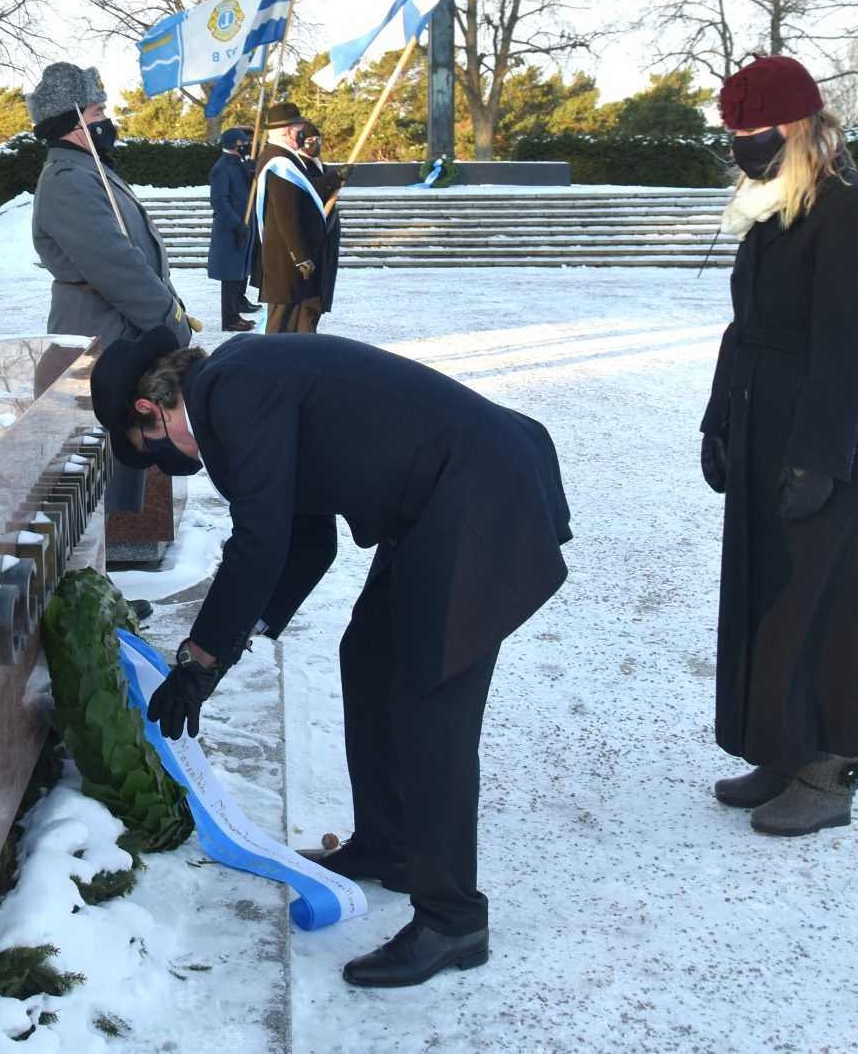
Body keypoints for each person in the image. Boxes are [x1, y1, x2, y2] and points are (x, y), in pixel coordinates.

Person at [88, 327, 571, 988]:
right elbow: (304, 539)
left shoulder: (231, 388)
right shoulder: (235, 387)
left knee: (430, 703)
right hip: (437, 501)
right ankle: (389, 844)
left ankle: (453, 918)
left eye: (147, 449)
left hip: (479, 492)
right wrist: (225, 650)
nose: (161, 461)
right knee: (368, 656)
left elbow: (258, 541)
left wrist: (200, 660)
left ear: (150, 409)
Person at [701, 54, 858, 836]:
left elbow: (847, 349)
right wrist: (719, 422)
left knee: (824, 597)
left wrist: (819, 457)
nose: (736, 147)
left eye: (748, 131)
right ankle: (781, 747)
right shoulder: (777, 203)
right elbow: (744, 328)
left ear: (792, 127)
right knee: (768, 591)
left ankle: (827, 770)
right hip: (762, 423)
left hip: (829, 435)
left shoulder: (851, 210)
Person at [28, 61, 193, 514]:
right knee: (102, 457)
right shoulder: (68, 180)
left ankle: (122, 535)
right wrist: (169, 324)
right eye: (98, 111)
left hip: (126, 329)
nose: (107, 121)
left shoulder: (89, 169)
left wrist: (168, 309)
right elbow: (117, 267)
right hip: (103, 333)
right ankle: (108, 549)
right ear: (74, 121)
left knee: (124, 454)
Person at [249, 102, 331, 332]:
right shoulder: (279, 162)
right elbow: (285, 214)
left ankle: (298, 362)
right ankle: (269, 367)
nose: (303, 133)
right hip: (287, 262)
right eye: (299, 128)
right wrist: (300, 256)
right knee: (281, 325)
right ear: (287, 130)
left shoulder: (285, 156)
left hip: (293, 261)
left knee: (299, 323)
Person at [207, 125, 258, 331]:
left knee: (240, 271)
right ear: (232, 144)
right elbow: (219, 200)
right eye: (242, 143)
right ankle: (229, 318)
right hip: (230, 228)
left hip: (243, 225)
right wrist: (236, 223)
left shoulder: (239, 163)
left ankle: (237, 310)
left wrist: (253, 170)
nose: (246, 145)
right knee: (230, 274)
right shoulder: (223, 167)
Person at [297, 118, 346, 316]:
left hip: (327, 230)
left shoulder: (319, 165)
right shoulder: (298, 165)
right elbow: (311, 190)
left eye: (319, 139)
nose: (316, 144)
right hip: (311, 233)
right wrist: (335, 179)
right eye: (311, 140)